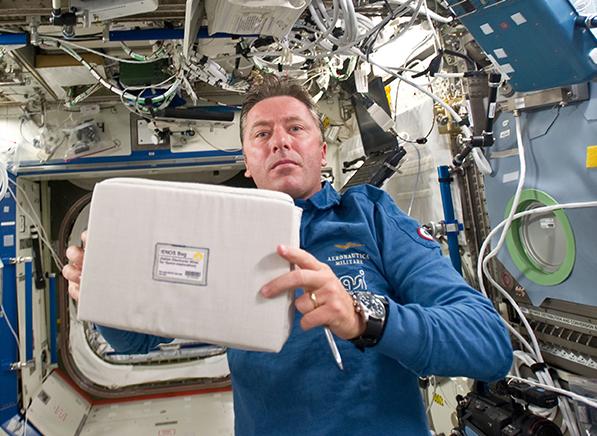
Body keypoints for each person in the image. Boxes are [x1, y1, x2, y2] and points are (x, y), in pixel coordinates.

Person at [63, 75, 513, 435]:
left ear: (320, 149)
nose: (280, 141)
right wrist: (101, 292)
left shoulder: (370, 216)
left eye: (295, 128)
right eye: (262, 133)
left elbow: (488, 345)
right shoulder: (222, 232)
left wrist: (366, 318)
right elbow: (137, 341)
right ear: (247, 159)